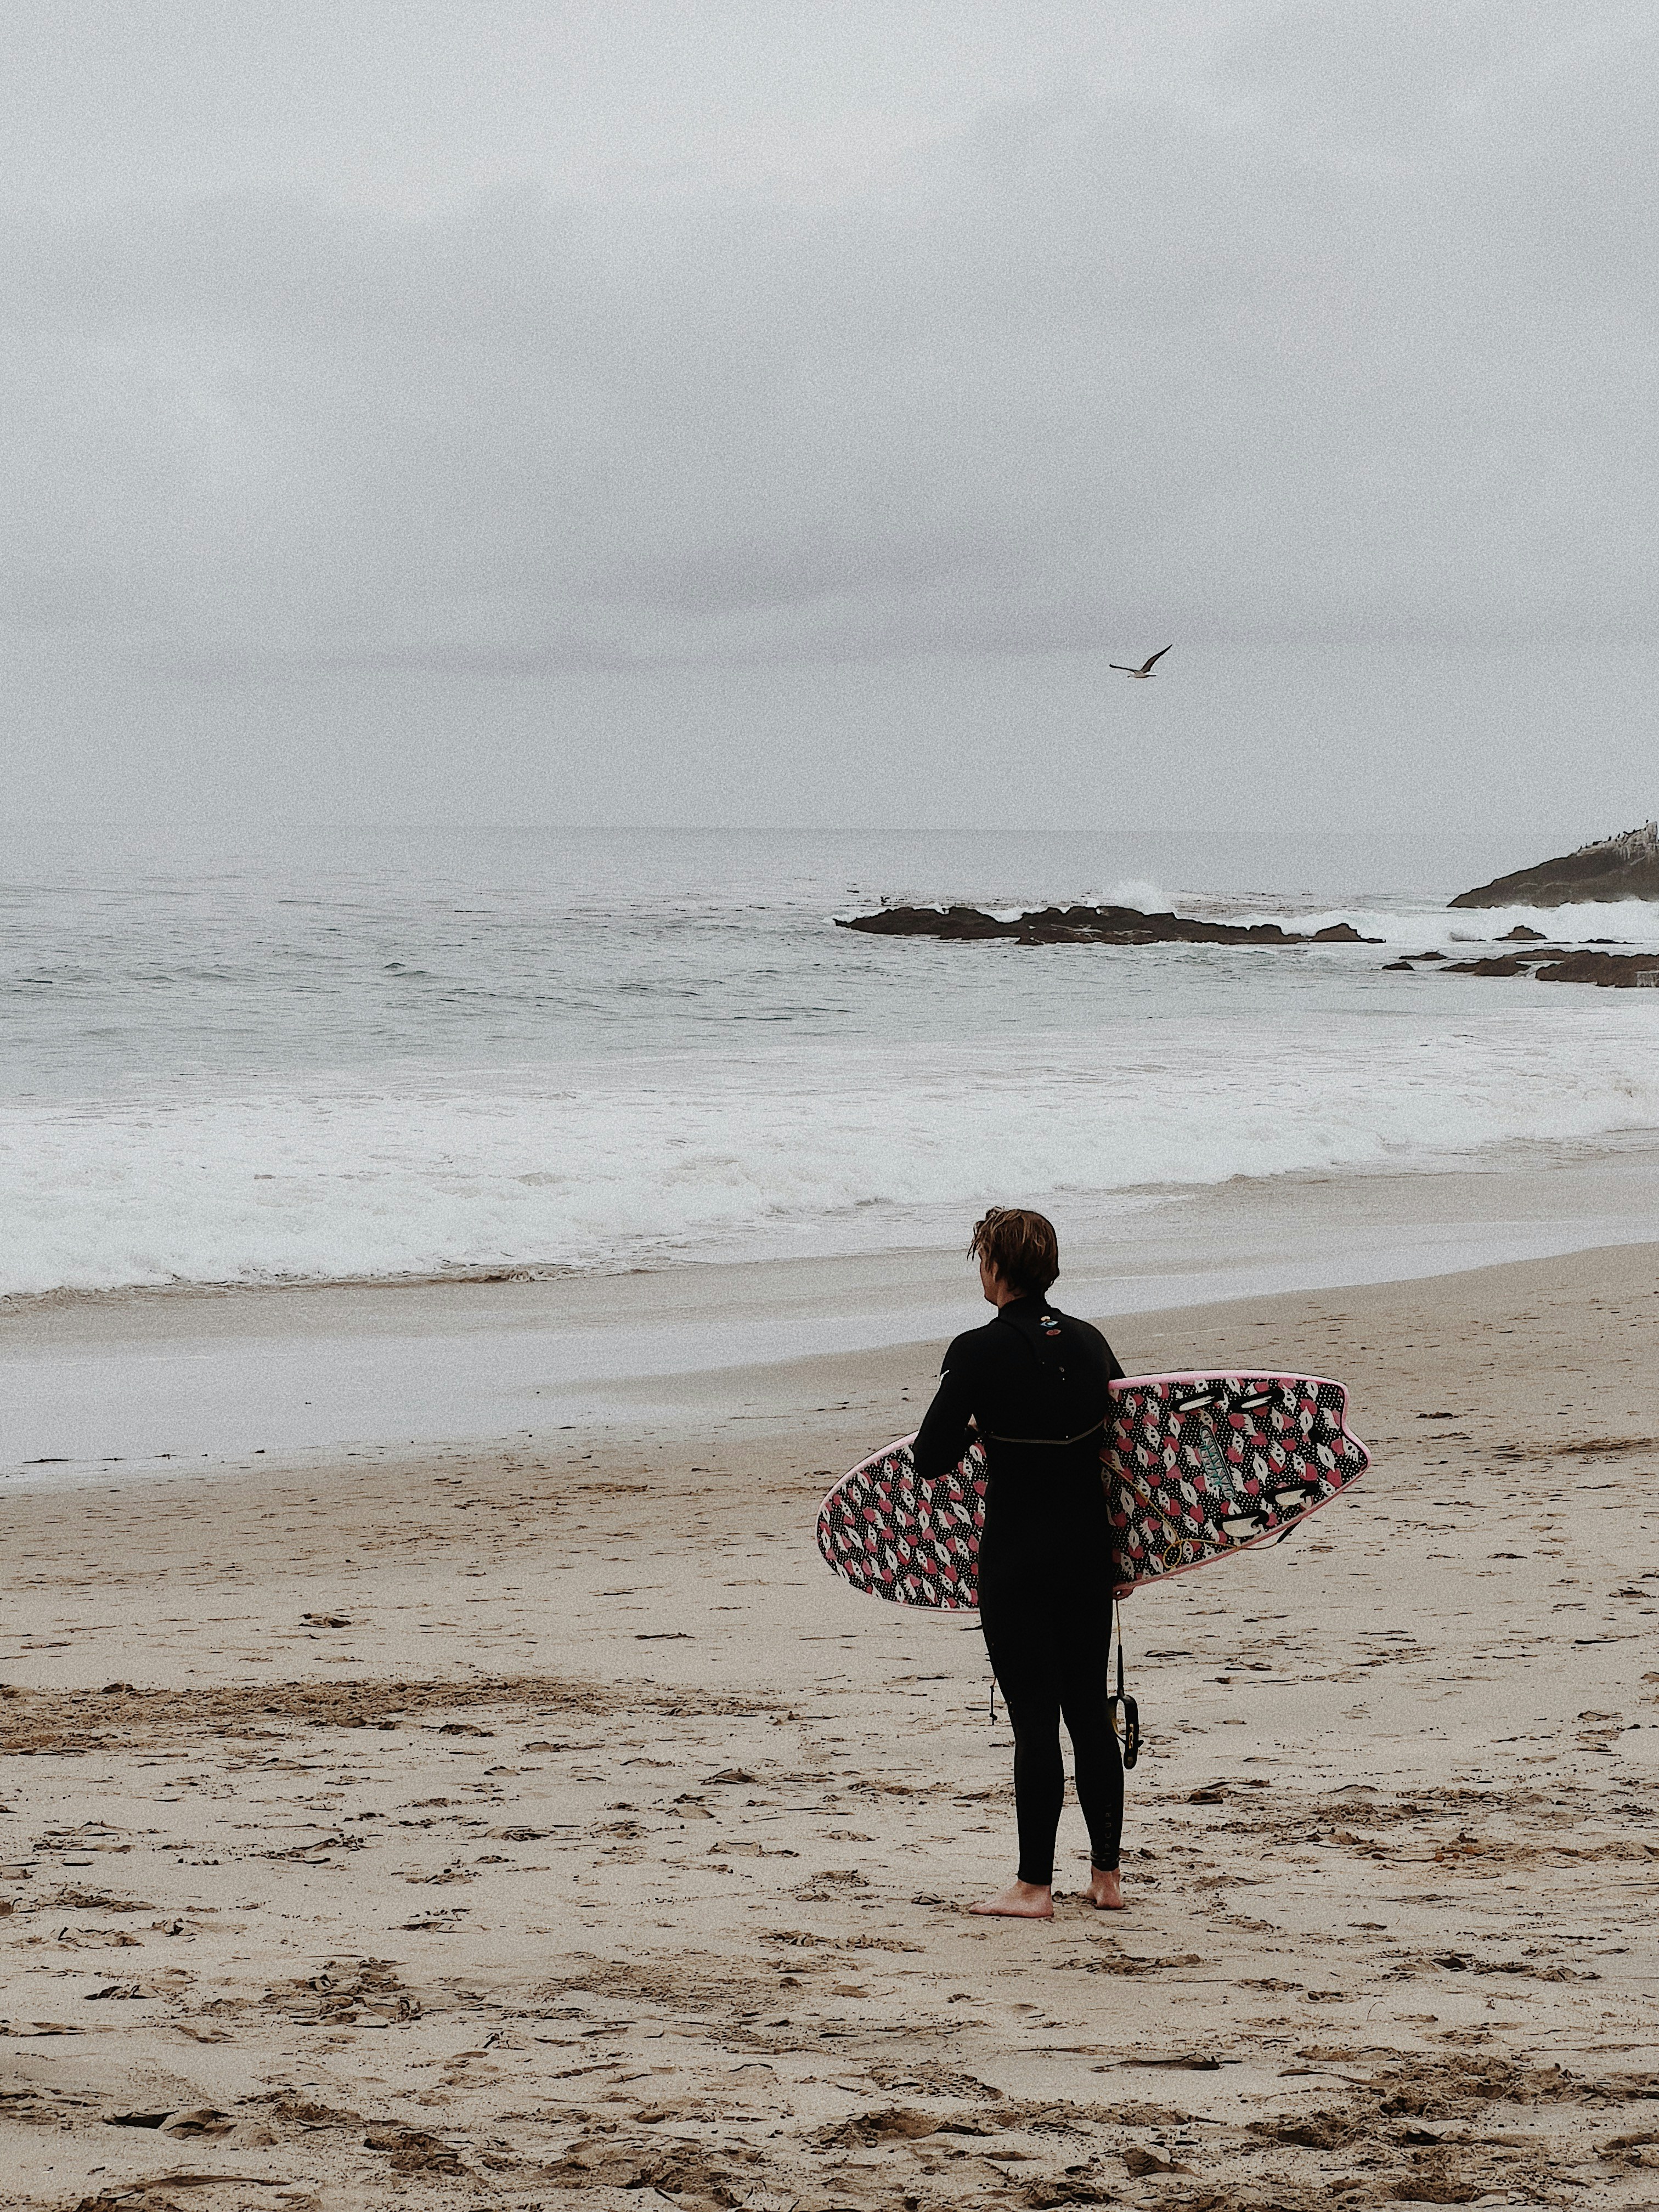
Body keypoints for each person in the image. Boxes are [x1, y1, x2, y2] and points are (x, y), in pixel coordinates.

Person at [911, 1207, 1126, 1918]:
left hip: (1018, 1562)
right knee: (1089, 1712)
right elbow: (1129, 1450)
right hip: (1089, 1556)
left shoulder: (976, 1352)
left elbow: (928, 1458)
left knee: (1036, 1720)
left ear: (996, 1269)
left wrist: (979, 1430)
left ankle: (1034, 1886)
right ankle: (1106, 1879)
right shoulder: (1092, 1345)